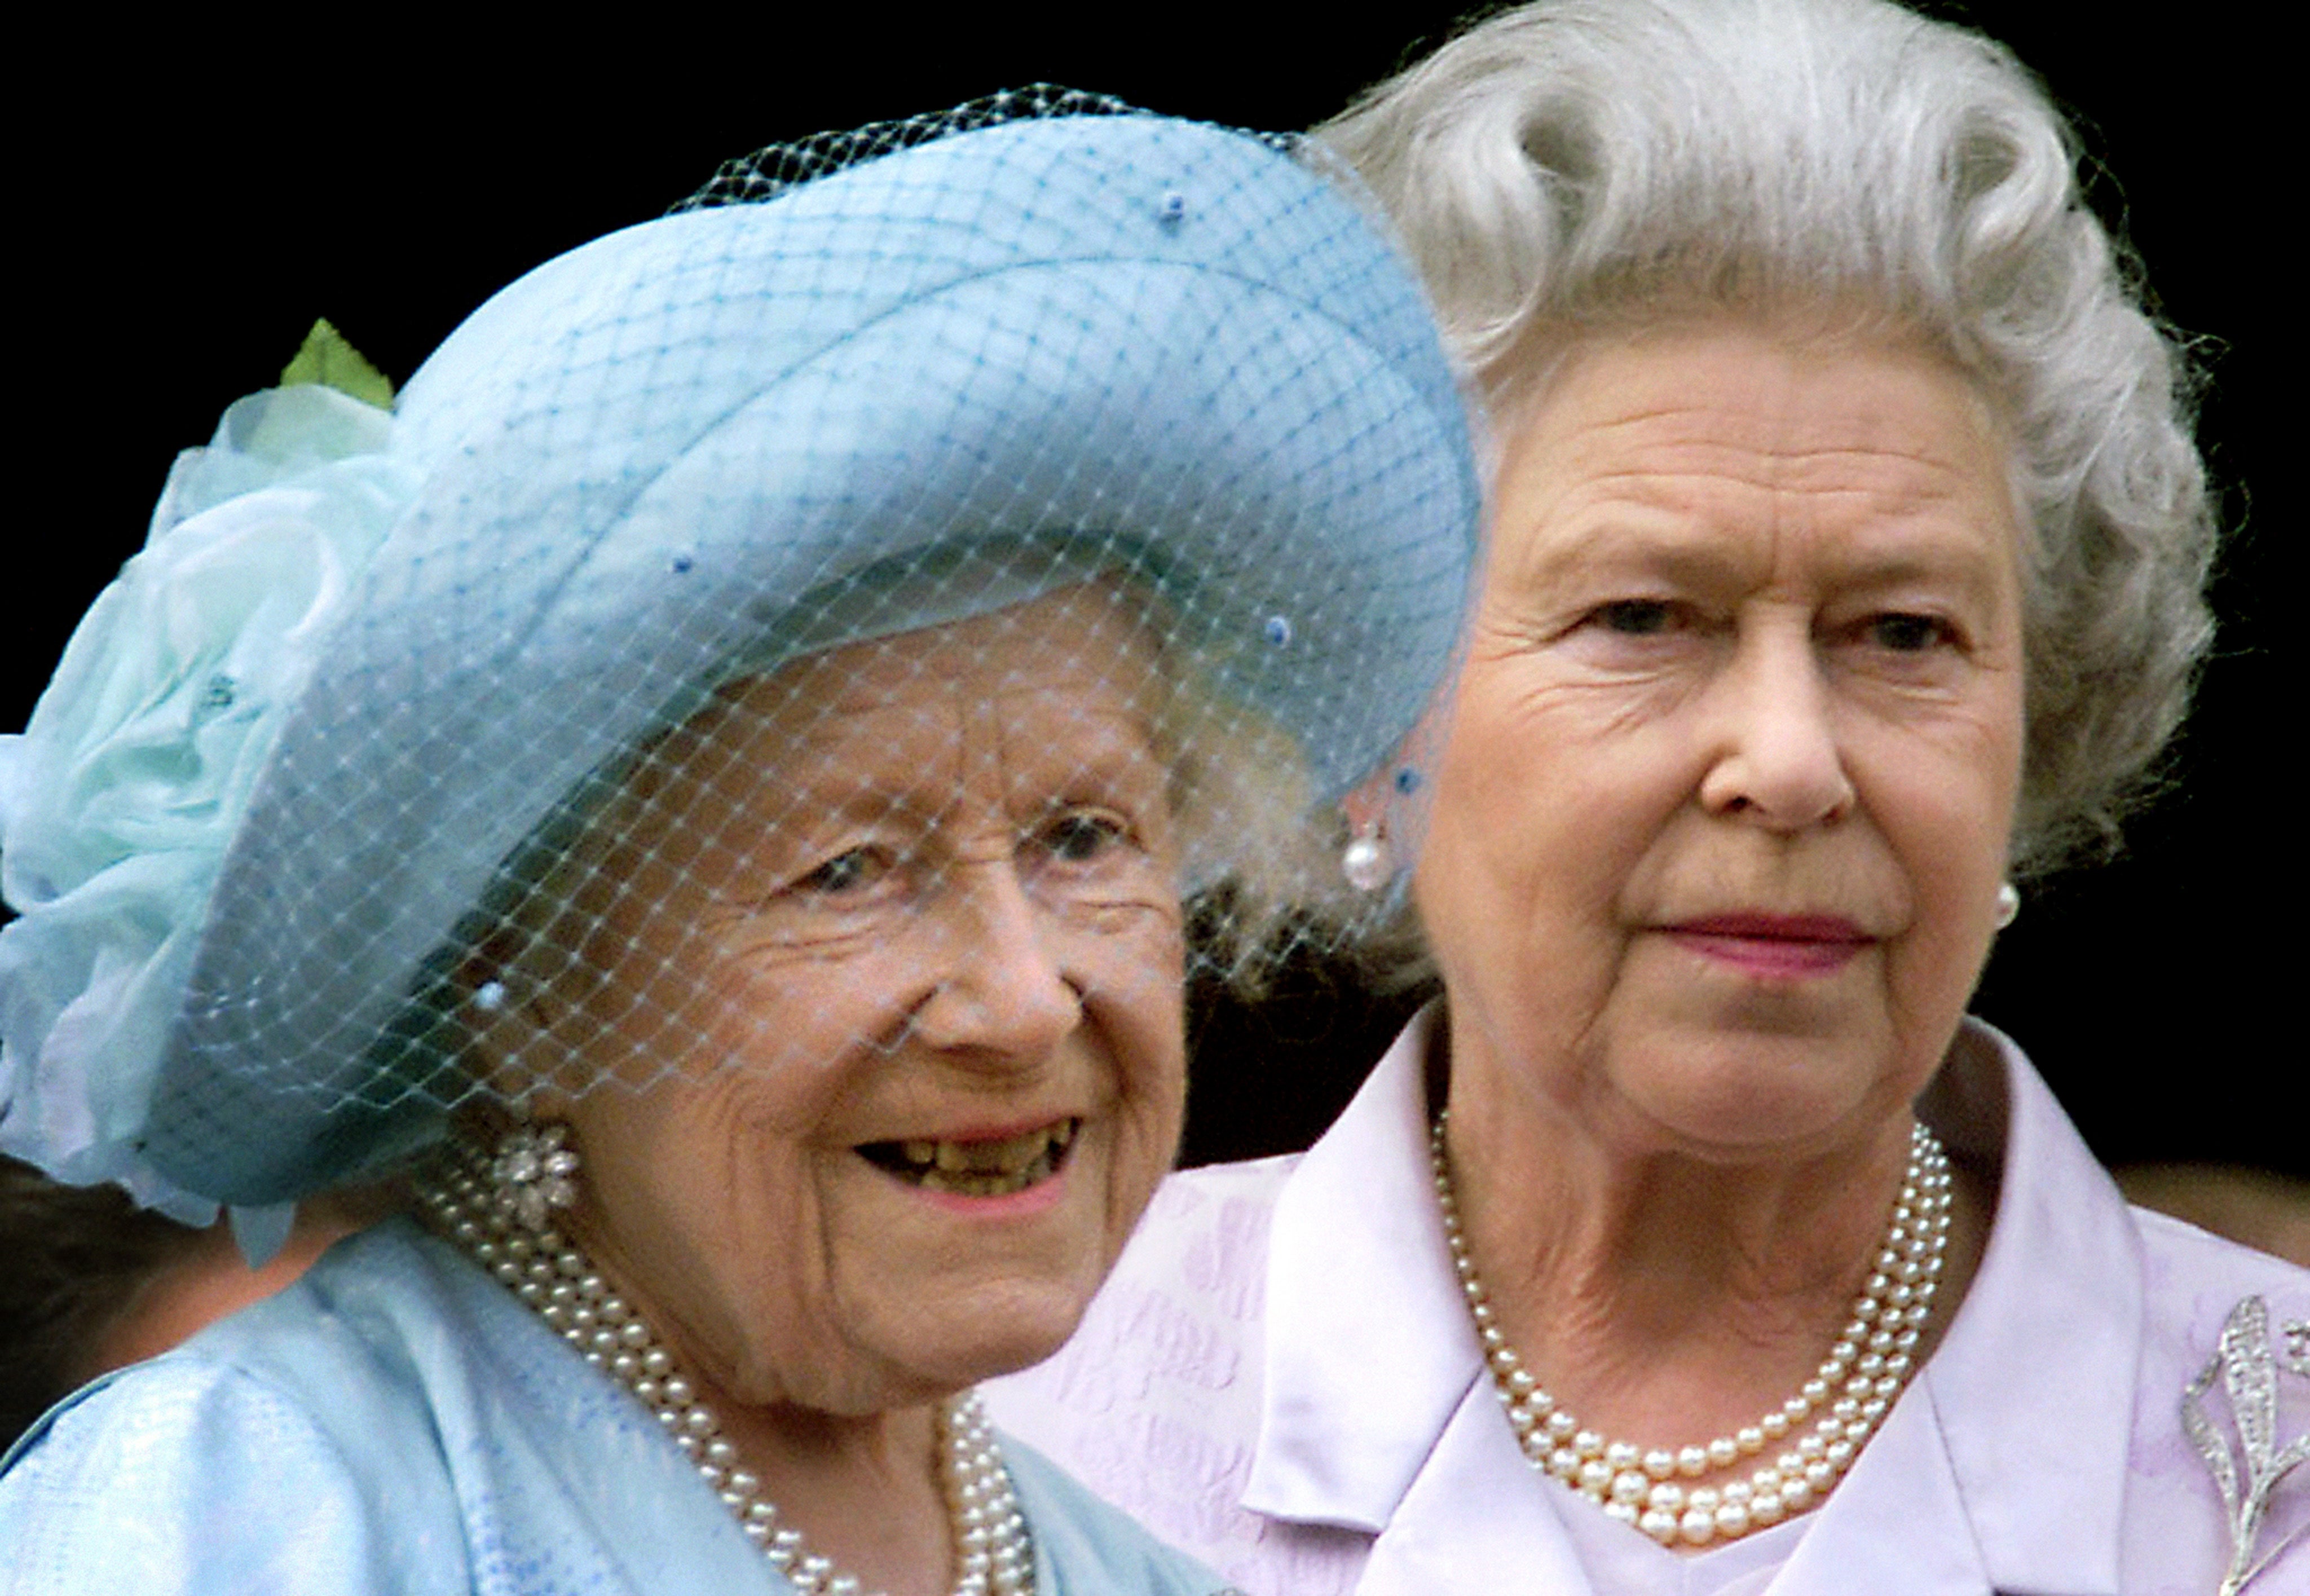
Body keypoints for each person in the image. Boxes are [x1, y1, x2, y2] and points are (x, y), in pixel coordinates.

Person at [0, 96, 1481, 1594]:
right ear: (528, 994)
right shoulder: (248, 1508)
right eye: (852, 871)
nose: (1026, 999)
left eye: (1083, 839)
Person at [982, 8, 2310, 1594]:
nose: (1791, 759)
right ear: (1357, 708)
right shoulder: (1009, 1421)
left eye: (1902, 634)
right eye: (1642, 619)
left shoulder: (2271, 1454)